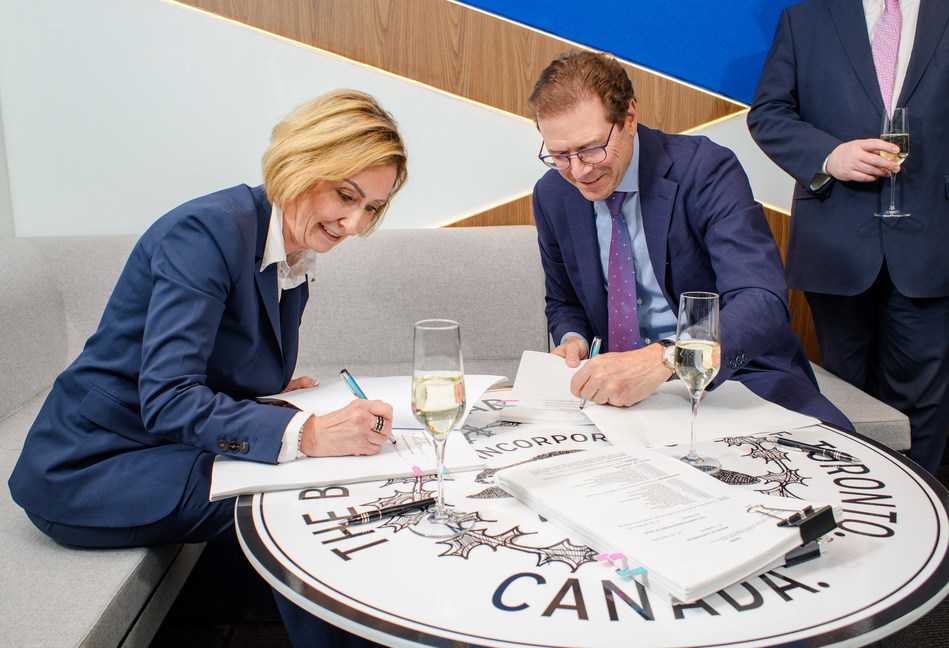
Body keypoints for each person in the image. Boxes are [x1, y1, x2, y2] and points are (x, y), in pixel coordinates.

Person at [8, 89, 405, 647]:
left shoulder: (287, 252)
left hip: (158, 444)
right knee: (292, 496)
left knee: (317, 477)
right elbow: (168, 396)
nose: (354, 223)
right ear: (301, 161)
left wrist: (274, 395)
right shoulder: (207, 232)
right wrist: (307, 432)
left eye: (371, 208)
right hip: (92, 465)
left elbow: (208, 361)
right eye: (346, 195)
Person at [528, 50, 851, 431]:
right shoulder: (552, 195)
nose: (578, 171)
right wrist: (573, 338)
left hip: (736, 381)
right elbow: (564, 301)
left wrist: (668, 359)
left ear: (629, 117)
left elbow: (762, 301)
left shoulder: (707, 169)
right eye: (560, 155)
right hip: (620, 398)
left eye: (591, 149)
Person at [747, 0, 949, 475]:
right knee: (843, 401)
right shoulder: (805, 18)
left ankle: (922, 530)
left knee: (925, 406)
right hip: (836, 245)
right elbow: (769, 112)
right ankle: (855, 513)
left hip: (933, 241)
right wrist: (828, 155)